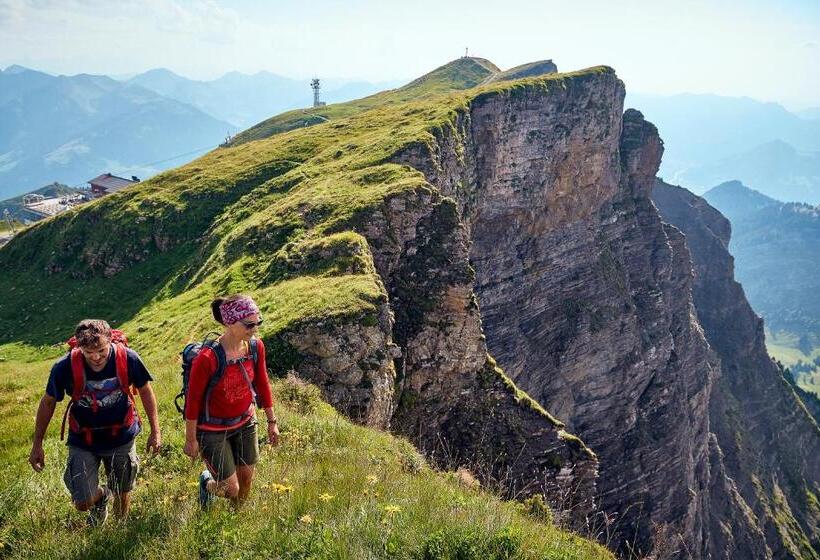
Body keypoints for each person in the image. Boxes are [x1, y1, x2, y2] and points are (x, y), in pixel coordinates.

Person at [29, 319, 161, 526]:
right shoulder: (64, 367)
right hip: (83, 438)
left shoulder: (128, 358)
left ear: (110, 340)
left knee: (123, 490)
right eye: (88, 352)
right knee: (82, 501)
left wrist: (156, 431)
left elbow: (145, 391)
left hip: (121, 435)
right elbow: (48, 402)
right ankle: (100, 498)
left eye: (101, 350)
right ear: (79, 346)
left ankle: (119, 530)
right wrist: (37, 443)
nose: (96, 357)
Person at [183, 294, 279, 509]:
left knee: (245, 481)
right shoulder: (207, 358)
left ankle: (236, 519)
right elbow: (193, 401)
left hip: (245, 422)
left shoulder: (255, 347)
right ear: (229, 322)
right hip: (212, 429)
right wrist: (191, 439)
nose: (255, 328)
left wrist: (272, 422)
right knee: (230, 489)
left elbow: (263, 384)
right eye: (249, 324)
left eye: (257, 322)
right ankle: (207, 484)